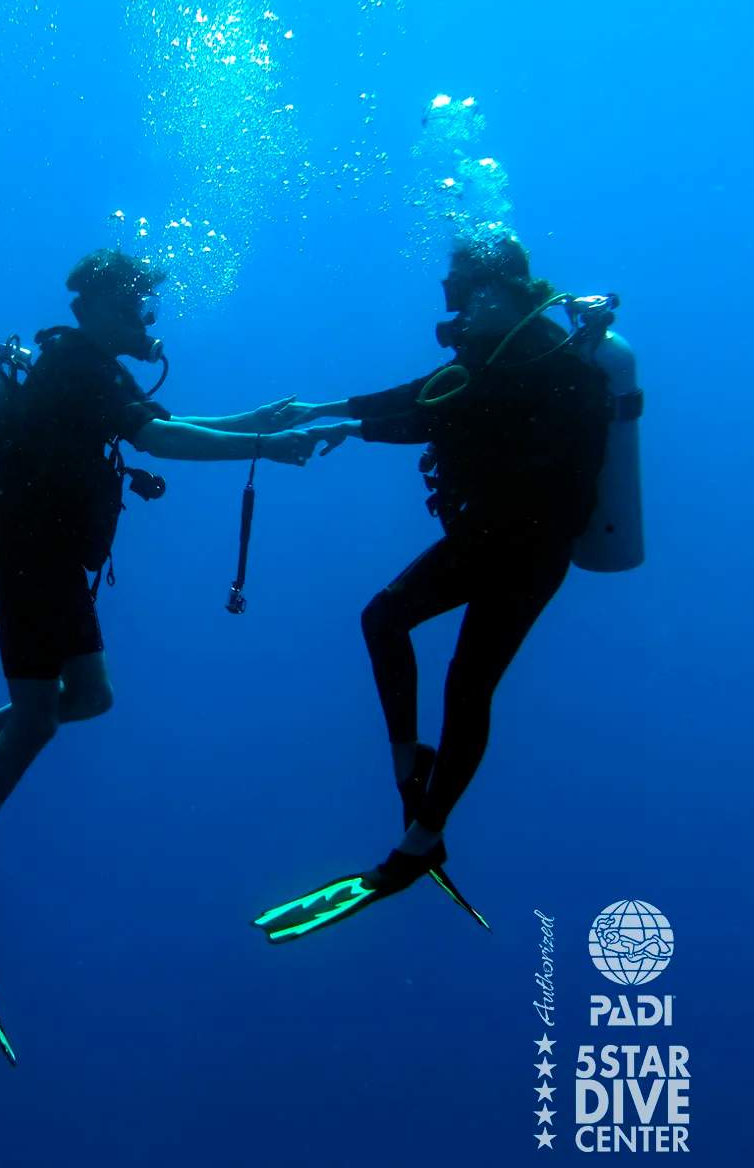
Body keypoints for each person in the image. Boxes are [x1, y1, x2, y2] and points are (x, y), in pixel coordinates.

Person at [0, 249, 319, 1056]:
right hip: (33, 559)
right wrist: (263, 445)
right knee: (38, 719)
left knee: (90, 698)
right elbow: (163, 441)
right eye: (138, 310)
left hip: (52, 561)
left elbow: (165, 428)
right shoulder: (80, 368)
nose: (149, 325)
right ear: (100, 308)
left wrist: (258, 425)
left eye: (148, 312)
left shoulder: (90, 367)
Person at [254, 231, 610, 941]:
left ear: (503, 290)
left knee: (467, 684)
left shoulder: (547, 361)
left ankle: (420, 842)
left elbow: (443, 413)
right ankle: (410, 773)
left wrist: (349, 426)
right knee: (383, 618)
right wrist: (325, 408)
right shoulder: (493, 354)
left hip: (530, 550)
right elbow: (426, 393)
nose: (452, 306)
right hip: (481, 539)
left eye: (462, 291)